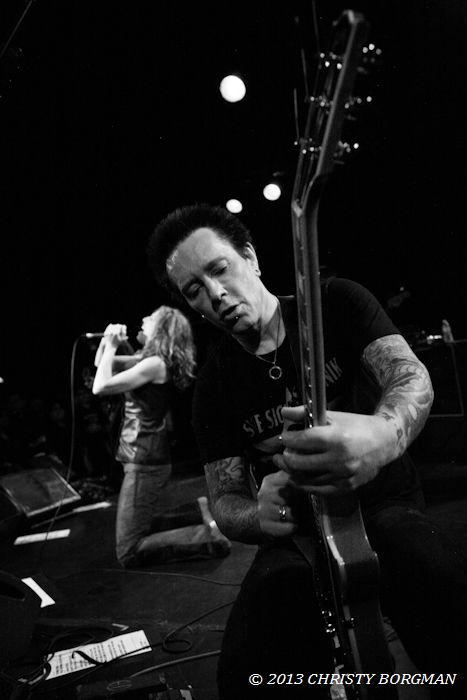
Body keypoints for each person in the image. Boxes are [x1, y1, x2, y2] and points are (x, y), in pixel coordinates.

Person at [147, 203, 467, 698]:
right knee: (247, 671)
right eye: (194, 290)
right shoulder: (213, 384)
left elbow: (409, 376)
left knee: (438, 586)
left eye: (220, 269)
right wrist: (258, 516)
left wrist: (382, 434)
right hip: (298, 535)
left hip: (384, 503)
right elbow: (226, 499)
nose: (215, 293)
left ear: (250, 258)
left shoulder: (335, 302)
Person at [92, 305, 229, 567]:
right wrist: (107, 343)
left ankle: (207, 536)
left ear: (162, 330)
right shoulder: (147, 360)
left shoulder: (155, 364)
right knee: (136, 527)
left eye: (151, 318)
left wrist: (112, 345)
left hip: (145, 458)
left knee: (128, 550)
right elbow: (102, 366)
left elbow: (100, 386)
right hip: (143, 454)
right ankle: (196, 512)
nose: (144, 318)